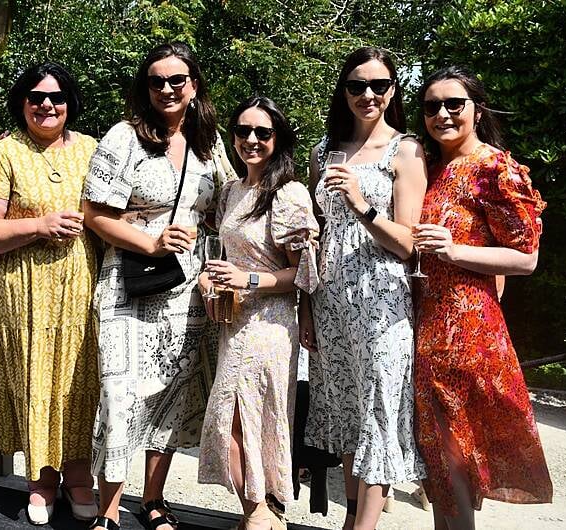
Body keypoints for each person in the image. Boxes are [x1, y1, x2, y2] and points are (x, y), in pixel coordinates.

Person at [82, 41, 236, 530]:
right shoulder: (124, 137)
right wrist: (149, 241)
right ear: (145, 88)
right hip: (131, 283)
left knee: (175, 394)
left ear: (194, 85)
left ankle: (153, 499)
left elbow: (231, 202)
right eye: (157, 81)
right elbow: (94, 214)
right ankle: (107, 509)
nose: (167, 89)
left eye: (177, 80)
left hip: (189, 290)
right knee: (120, 395)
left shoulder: (209, 145)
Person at [414, 65, 552, 530]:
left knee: (456, 453)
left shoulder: (494, 168)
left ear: (477, 108)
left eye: (455, 104)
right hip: (422, 328)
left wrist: (454, 250)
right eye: (432, 106)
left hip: (467, 334)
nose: (443, 114)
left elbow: (525, 259)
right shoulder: (430, 169)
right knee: (438, 456)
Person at [0, 62, 100, 525]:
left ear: (70, 104)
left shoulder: (92, 149)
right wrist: (38, 226)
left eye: (57, 97)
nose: (47, 105)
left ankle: (81, 476)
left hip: (80, 288)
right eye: (37, 97)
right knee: (34, 381)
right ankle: (41, 481)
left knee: (79, 383)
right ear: (22, 102)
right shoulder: (5, 152)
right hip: (20, 291)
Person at [300, 46, 428, 530]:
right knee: (348, 412)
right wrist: (308, 308)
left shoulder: (407, 149)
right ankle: (352, 518)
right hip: (330, 300)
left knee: (378, 410)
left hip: (382, 300)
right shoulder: (322, 151)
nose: (368, 95)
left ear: (393, 91)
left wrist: (360, 203)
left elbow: (409, 244)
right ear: (344, 91)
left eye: (379, 85)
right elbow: (317, 235)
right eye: (357, 86)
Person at [196, 96, 319, 530]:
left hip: (270, 323)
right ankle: (262, 512)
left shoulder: (288, 193)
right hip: (234, 320)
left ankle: (260, 514)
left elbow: (302, 273)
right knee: (243, 416)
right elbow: (222, 252)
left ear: (278, 139)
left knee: (239, 414)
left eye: (262, 133)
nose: (250, 140)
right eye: (243, 131)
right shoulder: (231, 191)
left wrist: (247, 281)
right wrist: (210, 281)